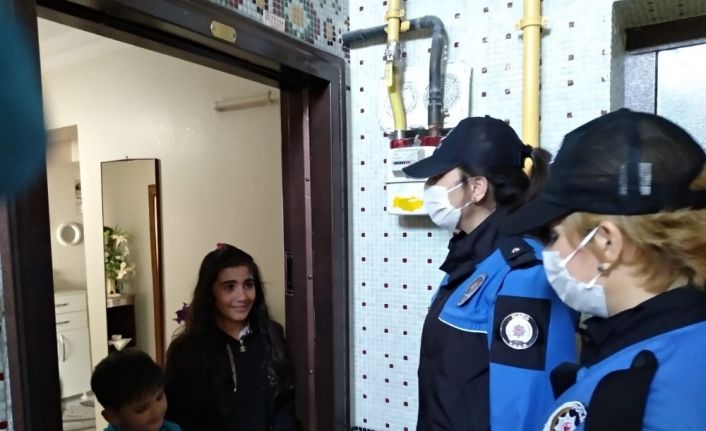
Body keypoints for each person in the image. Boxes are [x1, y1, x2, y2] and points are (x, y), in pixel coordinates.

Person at [502, 108, 706, 430]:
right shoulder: (682, 343)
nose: (549, 253)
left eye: (554, 236)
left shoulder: (632, 395)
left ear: (607, 243)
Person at [402, 116, 578, 430]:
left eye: (439, 176)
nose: (429, 187)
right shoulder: (470, 260)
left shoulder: (524, 273)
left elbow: (526, 410)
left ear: (477, 188)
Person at [164, 243, 297, 431]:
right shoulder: (186, 350)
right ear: (210, 293)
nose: (242, 296)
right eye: (229, 287)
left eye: (248, 285)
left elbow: (284, 405)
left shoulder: (272, 337)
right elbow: (177, 418)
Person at [90, 348, 182, 431]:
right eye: (141, 409)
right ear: (111, 416)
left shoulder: (171, 428)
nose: (157, 411)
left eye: (159, 397)